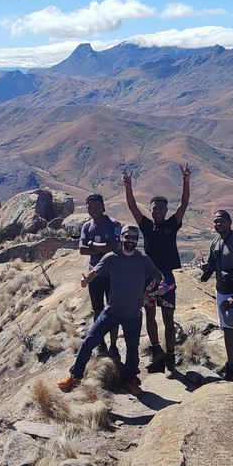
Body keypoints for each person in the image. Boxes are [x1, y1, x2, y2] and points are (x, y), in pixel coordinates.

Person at [59, 224, 163, 395]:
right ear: (121, 238)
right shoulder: (111, 257)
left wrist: (160, 287)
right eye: (127, 237)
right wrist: (86, 280)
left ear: (137, 240)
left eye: (133, 238)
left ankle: (129, 381)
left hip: (133, 315)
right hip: (112, 311)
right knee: (89, 341)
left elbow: (159, 276)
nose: (130, 240)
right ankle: (75, 376)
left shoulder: (143, 259)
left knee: (132, 351)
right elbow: (94, 272)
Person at [122, 163, 190, 375]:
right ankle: (156, 352)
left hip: (167, 277)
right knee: (149, 314)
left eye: (161, 208)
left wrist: (186, 182)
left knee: (168, 318)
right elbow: (133, 207)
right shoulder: (146, 225)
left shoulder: (172, 224)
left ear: (166, 210)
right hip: (148, 276)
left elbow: (184, 204)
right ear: (150, 210)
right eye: (154, 208)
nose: (158, 211)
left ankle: (170, 360)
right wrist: (128, 187)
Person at [200, 209, 233, 381]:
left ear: (230, 222)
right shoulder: (215, 243)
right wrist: (205, 268)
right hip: (222, 290)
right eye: (215, 221)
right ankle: (230, 364)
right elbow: (211, 265)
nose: (218, 224)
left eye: (222, 221)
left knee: (230, 328)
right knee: (225, 327)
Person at [79, 192, 121, 356]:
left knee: (114, 310)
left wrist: (91, 244)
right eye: (91, 207)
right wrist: (101, 246)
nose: (94, 210)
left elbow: (113, 246)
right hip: (94, 275)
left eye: (97, 206)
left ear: (103, 206)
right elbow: (82, 250)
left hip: (113, 274)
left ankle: (114, 345)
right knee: (97, 309)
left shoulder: (114, 224)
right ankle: (100, 342)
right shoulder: (86, 226)